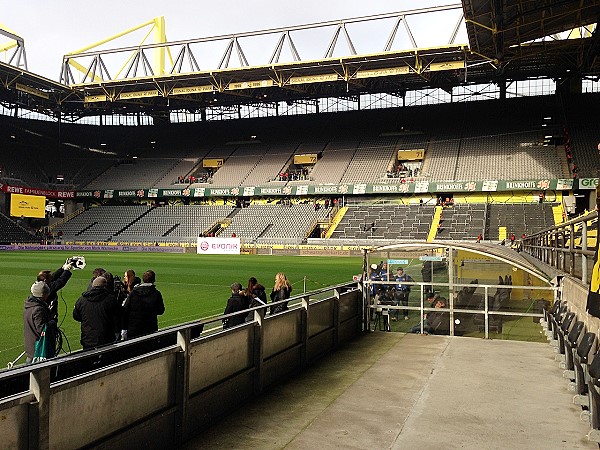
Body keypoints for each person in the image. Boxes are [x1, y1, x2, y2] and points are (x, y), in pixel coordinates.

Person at [73, 276, 120, 350]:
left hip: (88, 338)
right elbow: (119, 314)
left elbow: (76, 316)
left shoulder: (82, 300)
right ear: (105, 286)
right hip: (106, 338)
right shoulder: (110, 299)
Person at [121, 270, 165, 339]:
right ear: (153, 280)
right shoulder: (156, 294)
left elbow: (125, 309)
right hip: (150, 327)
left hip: (133, 328)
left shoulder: (133, 293)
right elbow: (161, 310)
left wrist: (124, 328)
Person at [23, 281, 57, 363]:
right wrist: (53, 321)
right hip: (39, 349)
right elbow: (41, 329)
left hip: (31, 346)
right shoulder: (38, 309)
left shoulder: (29, 305)